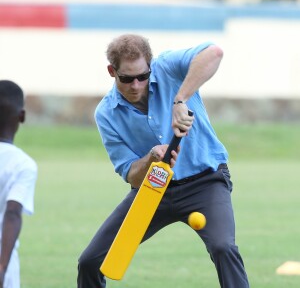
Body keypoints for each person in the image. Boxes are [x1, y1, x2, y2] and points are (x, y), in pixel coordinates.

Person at [77, 34, 249, 288]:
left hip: (206, 182)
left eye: (142, 76)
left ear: (150, 65)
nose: (136, 85)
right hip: (152, 190)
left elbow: (214, 53)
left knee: (223, 247)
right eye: (126, 78)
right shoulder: (106, 113)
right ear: (111, 71)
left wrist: (180, 99)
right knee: (90, 262)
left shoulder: (168, 66)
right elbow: (130, 174)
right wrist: (151, 158)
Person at [0, 80, 38, 288]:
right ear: (21, 116)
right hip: (4, 257)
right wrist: (2, 267)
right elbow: (12, 212)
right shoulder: (23, 165)